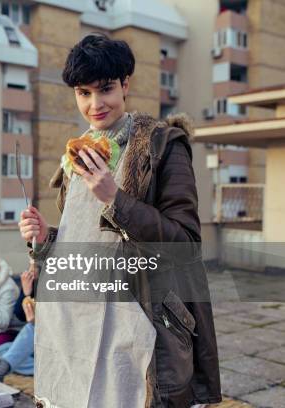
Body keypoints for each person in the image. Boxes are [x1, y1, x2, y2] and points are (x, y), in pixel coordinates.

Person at [18, 34, 220, 407]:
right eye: (83, 93)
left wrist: (115, 198)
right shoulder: (77, 155)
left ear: (126, 84)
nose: (95, 104)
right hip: (74, 334)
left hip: (138, 330)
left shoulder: (163, 146)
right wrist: (47, 239)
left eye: (105, 89)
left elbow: (186, 245)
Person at [0, 261, 37, 381]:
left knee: (33, 327)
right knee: (1, 350)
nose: (29, 271)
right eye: (29, 267)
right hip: (35, 345)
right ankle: (45, 368)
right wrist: (26, 293)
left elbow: (2, 321)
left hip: (54, 344)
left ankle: (1, 368)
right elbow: (20, 314)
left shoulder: (7, 288)